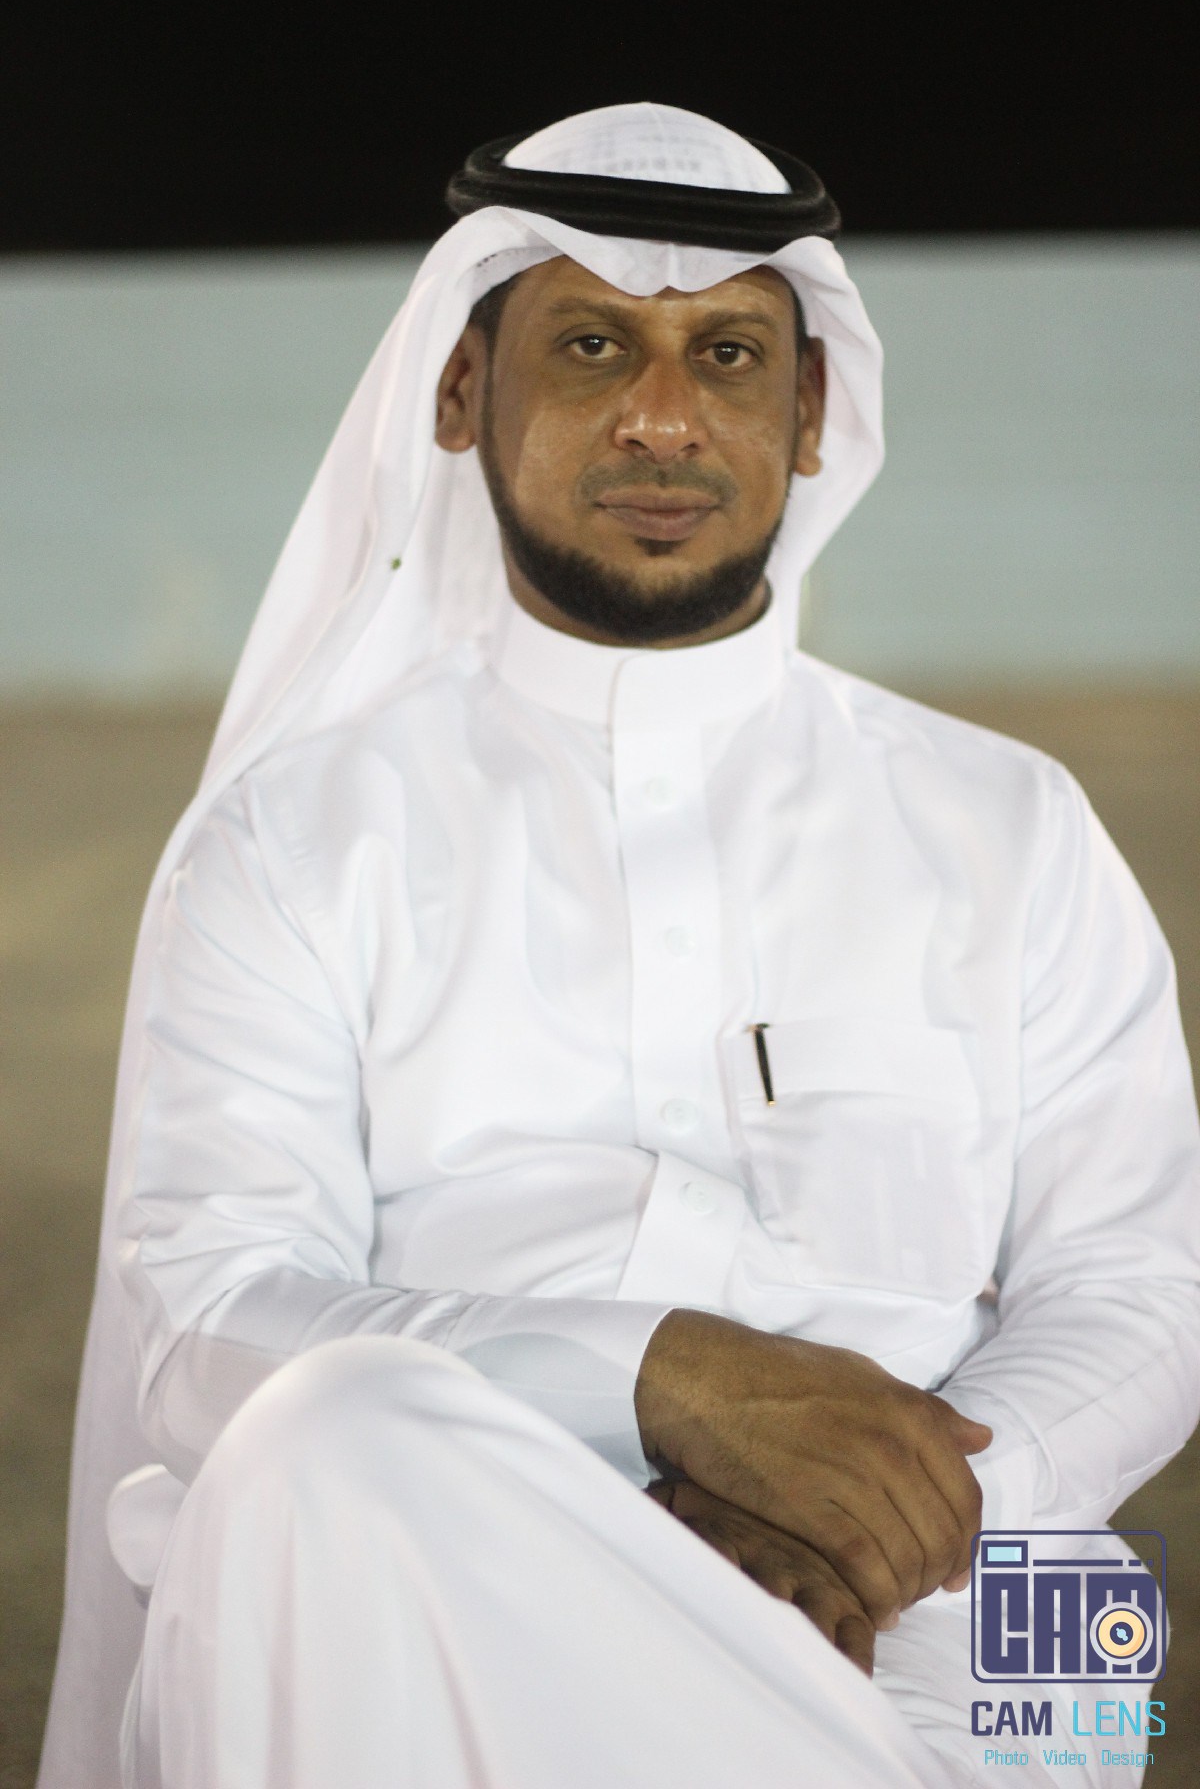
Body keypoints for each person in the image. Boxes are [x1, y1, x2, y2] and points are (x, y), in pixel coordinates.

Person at [37, 103, 1200, 1789]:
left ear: (811, 413)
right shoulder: (293, 841)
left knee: (1072, 1630)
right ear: (460, 391)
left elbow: (1143, 1292)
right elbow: (209, 1330)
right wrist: (659, 1384)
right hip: (443, 1574)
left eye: (727, 354)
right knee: (317, 1443)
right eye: (592, 345)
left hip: (954, 1617)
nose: (664, 413)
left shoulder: (1010, 824)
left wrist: (886, 1505)